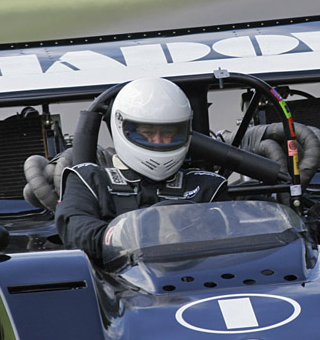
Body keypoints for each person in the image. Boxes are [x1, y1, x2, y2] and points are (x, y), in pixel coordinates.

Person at [55, 77, 229, 265]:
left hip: (196, 281)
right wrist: (124, 234)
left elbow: (229, 237)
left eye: (168, 133)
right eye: (147, 133)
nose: (158, 141)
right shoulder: (89, 180)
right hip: (120, 286)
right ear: (123, 127)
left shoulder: (207, 186)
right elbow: (75, 230)